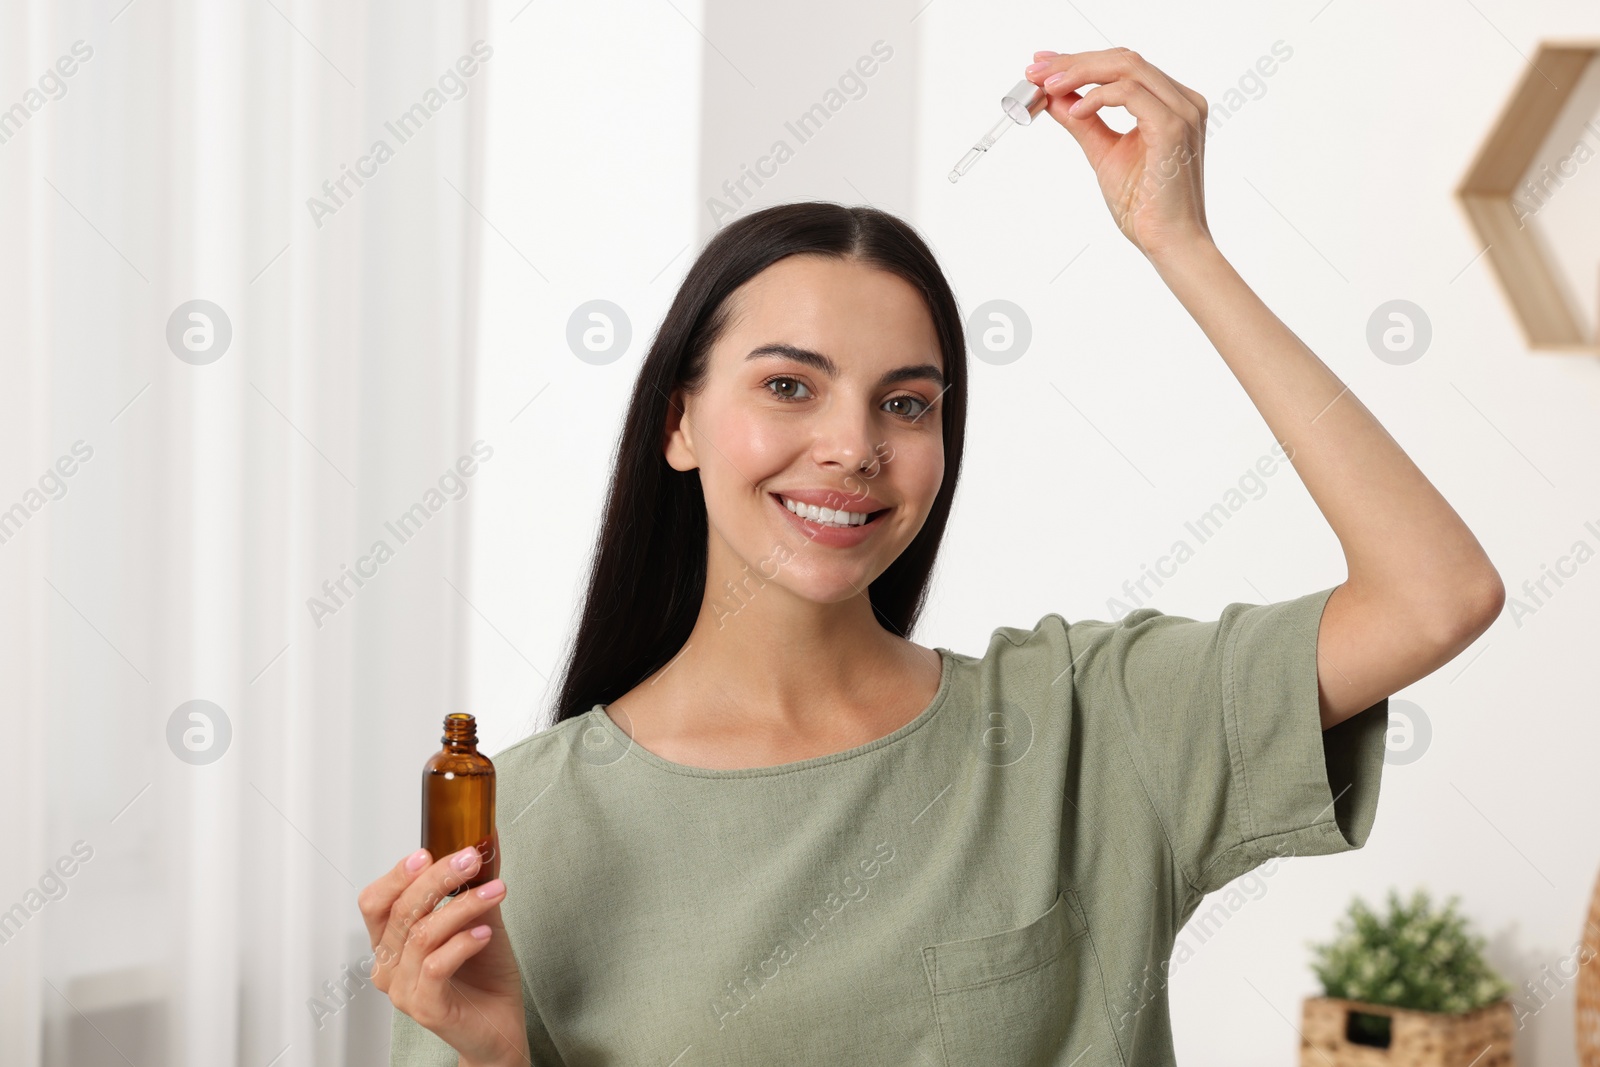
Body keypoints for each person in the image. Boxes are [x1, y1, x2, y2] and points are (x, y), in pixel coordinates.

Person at [362, 46, 1504, 1067]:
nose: (854, 447)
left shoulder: (1087, 730)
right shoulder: (523, 827)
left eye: (905, 402)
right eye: (788, 385)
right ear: (678, 422)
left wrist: (1180, 243)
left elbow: (1436, 592)